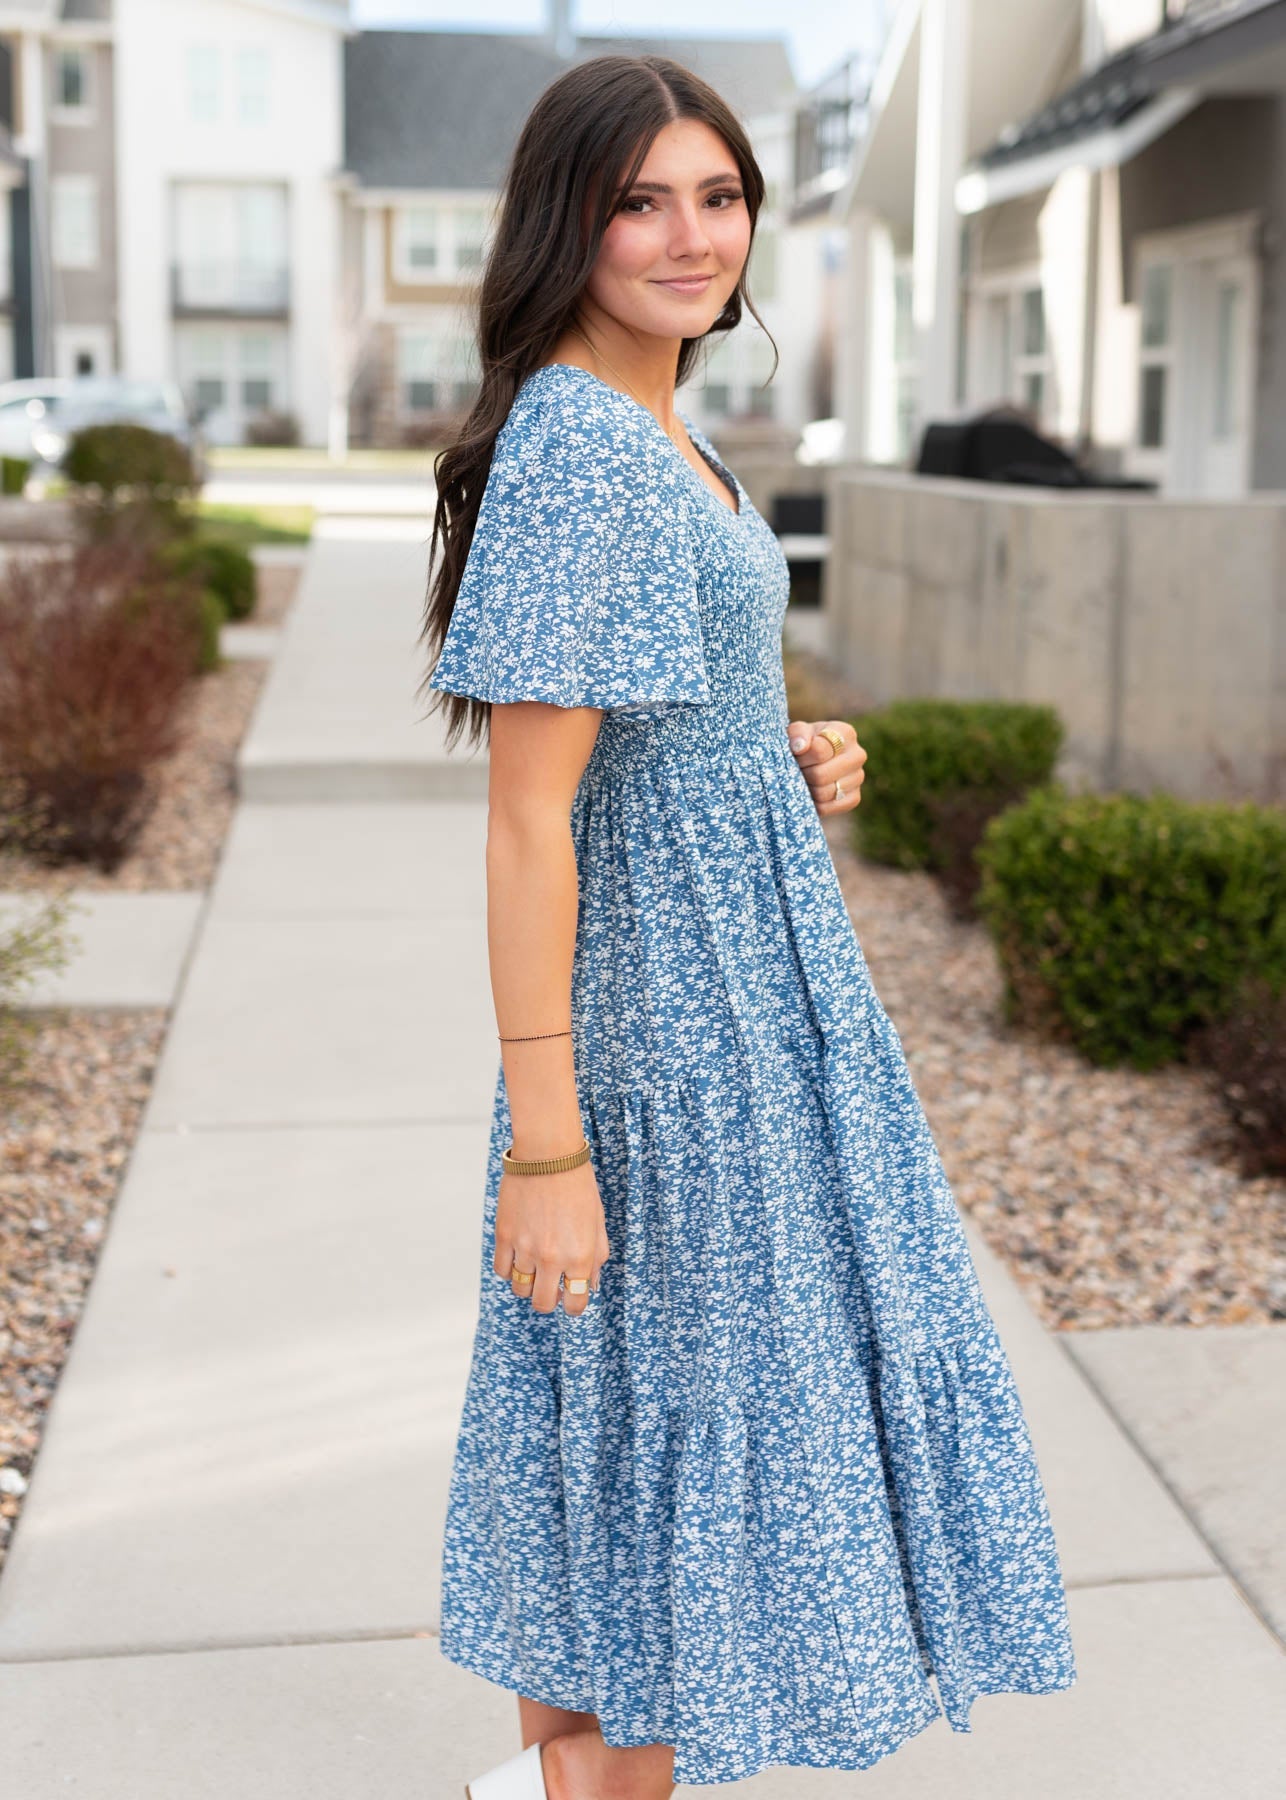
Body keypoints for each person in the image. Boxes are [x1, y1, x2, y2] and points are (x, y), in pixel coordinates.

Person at [420, 52, 1077, 1800]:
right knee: (682, 1426)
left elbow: (633, 733)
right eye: (639, 202)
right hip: (673, 1029)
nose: (690, 236)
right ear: (566, 224)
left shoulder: (659, 426)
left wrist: (770, 747)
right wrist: (547, 1145)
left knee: (626, 1426)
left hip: (739, 986)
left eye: (716, 197)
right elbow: (525, 822)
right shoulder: (580, 447)